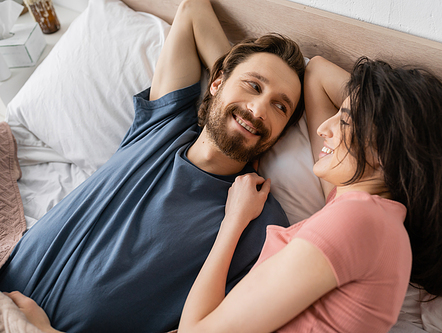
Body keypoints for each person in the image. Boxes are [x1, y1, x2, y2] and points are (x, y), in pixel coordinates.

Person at [8, 54, 442, 332]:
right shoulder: (358, 214)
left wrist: (231, 224)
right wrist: (381, 115)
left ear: (386, 147)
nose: (325, 127)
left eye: (346, 121)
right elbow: (315, 73)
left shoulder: (360, 224)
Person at [0, 0, 306, 331]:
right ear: (216, 81)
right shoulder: (165, 125)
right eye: (254, 85)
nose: (260, 109)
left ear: (281, 133)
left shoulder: (261, 219)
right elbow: (192, 10)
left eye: (279, 106)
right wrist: (232, 90)